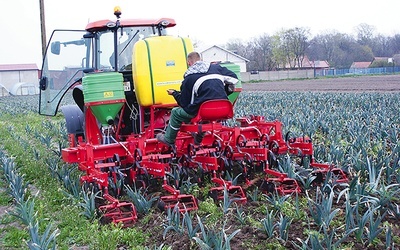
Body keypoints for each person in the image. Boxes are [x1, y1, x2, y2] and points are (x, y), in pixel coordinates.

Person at [156, 51, 238, 148]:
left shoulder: (189, 78)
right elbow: (234, 79)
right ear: (201, 60)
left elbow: (184, 103)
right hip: (223, 109)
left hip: (204, 111)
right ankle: (198, 138)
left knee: (176, 112)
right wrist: (224, 91)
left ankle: (168, 139)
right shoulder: (216, 68)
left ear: (188, 63)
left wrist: (174, 93)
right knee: (206, 113)